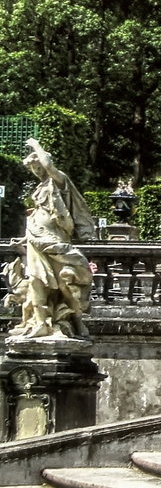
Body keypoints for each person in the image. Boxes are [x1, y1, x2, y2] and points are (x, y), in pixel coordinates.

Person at [6, 140, 98, 340]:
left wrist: (36, 145)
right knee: (35, 282)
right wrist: (23, 241)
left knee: (65, 286)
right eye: (33, 168)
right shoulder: (40, 187)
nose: (37, 170)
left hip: (55, 240)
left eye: (38, 166)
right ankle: (40, 324)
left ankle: (78, 322)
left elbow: (48, 165)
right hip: (36, 242)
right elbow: (40, 214)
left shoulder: (59, 181)